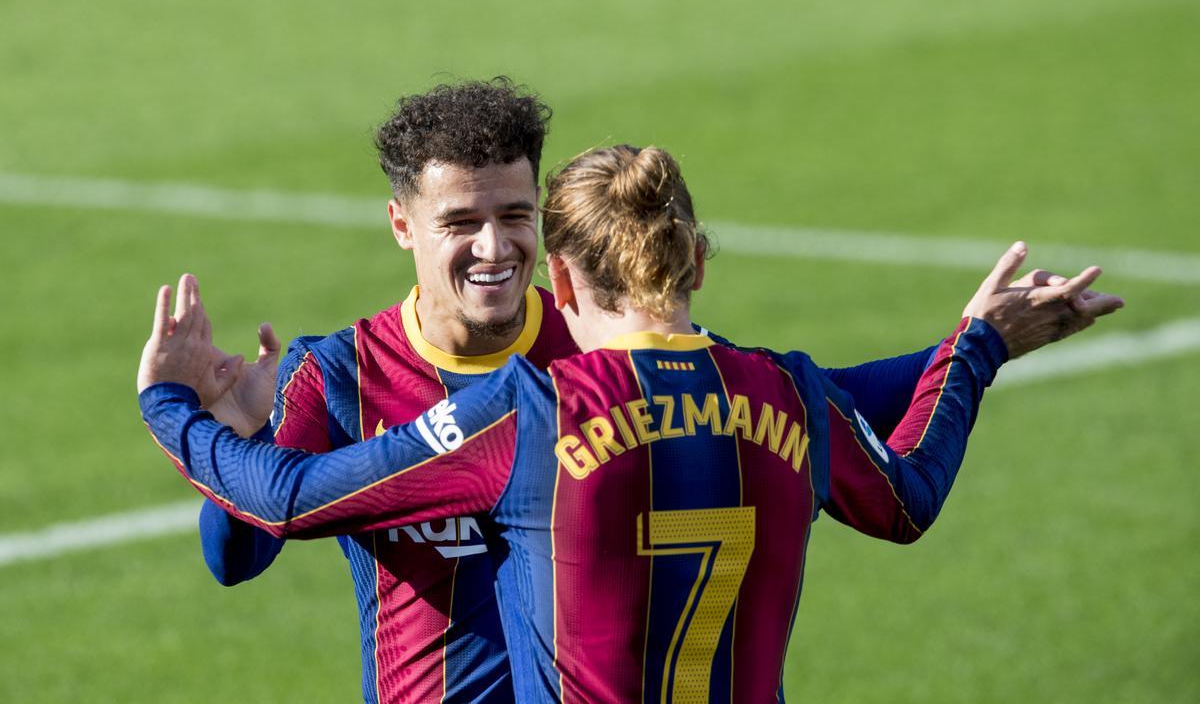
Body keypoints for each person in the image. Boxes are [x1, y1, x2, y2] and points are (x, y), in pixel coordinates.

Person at [140, 144, 1123, 702]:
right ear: (695, 260)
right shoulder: (782, 391)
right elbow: (907, 490)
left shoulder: (528, 410)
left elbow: (294, 497)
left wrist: (171, 405)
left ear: (557, 281)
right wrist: (977, 347)